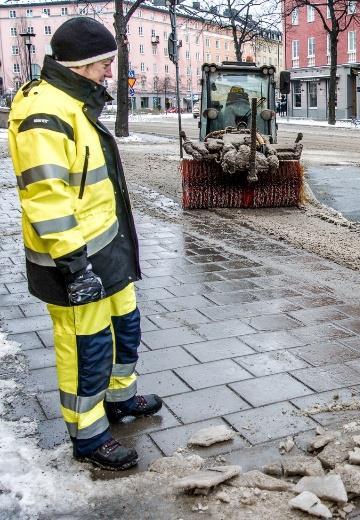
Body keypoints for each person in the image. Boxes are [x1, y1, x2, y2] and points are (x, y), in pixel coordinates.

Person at [8, 17, 162, 471]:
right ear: (80, 65)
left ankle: (120, 399)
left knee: (123, 326)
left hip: (107, 247)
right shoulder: (44, 114)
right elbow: (46, 197)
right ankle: (89, 434)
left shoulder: (75, 102)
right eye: (104, 64)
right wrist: (75, 267)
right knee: (85, 345)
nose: (109, 73)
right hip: (75, 259)